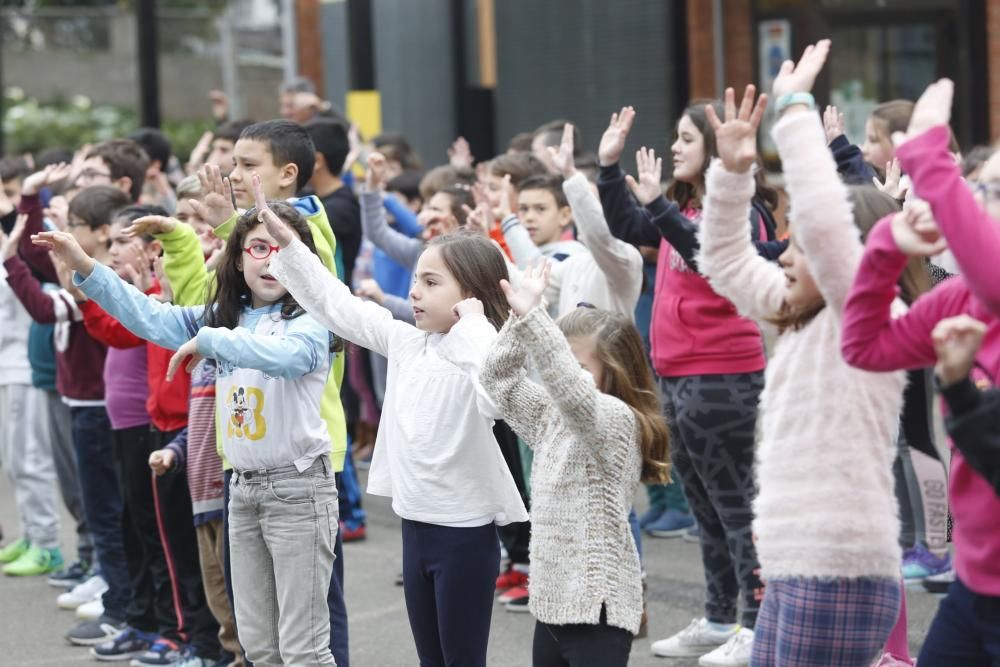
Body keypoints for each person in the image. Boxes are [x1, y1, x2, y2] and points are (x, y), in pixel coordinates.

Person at [38, 178, 338, 665]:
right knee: (259, 646)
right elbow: (148, 316)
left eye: (283, 247)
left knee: (303, 647)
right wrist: (86, 267)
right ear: (237, 259)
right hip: (241, 489)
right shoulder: (225, 316)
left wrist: (213, 341)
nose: (269, 258)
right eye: (257, 247)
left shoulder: (310, 319)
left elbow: (288, 358)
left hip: (298, 491)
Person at [699, 41, 908, 666]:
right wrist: (733, 173)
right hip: (795, 564)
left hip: (839, 569)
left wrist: (793, 111)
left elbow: (823, 222)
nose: (785, 253)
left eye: (802, 246)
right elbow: (725, 260)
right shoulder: (800, 314)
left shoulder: (870, 318)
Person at [265, 201, 528, 665]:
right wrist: (291, 247)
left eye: (431, 283)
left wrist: (472, 322)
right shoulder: (408, 344)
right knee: (430, 659)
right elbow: (337, 304)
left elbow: (495, 391)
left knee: (462, 660)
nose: (414, 293)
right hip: (417, 528)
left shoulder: (483, 354)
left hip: (464, 535)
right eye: (415, 282)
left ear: (470, 295)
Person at [598, 101, 779, 662]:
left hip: (722, 378)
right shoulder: (689, 207)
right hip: (677, 377)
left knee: (736, 507)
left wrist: (657, 205)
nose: (674, 148)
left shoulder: (740, 211)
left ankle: (756, 624)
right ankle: (722, 615)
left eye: (684, 139)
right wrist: (608, 170)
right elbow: (629, 229)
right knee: (704, 507)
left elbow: (711, 260)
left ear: (715, 145)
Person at [840, 77, 1000, 667]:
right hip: (977, 580)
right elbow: (866, 346)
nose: (982, 202)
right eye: (980, 189)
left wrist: (928, 154)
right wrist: (887, 243)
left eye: (998, 190)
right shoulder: (960, 300)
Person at [480, 261, 670, 666]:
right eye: (562, 362)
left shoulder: (618, 421)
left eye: (579, 366)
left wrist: (536, 317)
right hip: (552, 606)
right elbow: (499, 379)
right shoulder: (552, 416)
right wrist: (518, 320)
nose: (562, 373)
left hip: (597, 611)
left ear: (614, 372)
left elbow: (572, 392)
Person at [6, 179, 135, 647]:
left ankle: (118, 596)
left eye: (74, 224)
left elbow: (44, 308)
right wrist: (26, 208)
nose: (66, 231)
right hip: (83, 401)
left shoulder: (101, 281)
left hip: (101, 407)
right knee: (96, 504)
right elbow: (42, 262)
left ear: (101, 232)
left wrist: (9, 260)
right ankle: (110, 584)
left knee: (107, 508)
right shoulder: (85, 276)